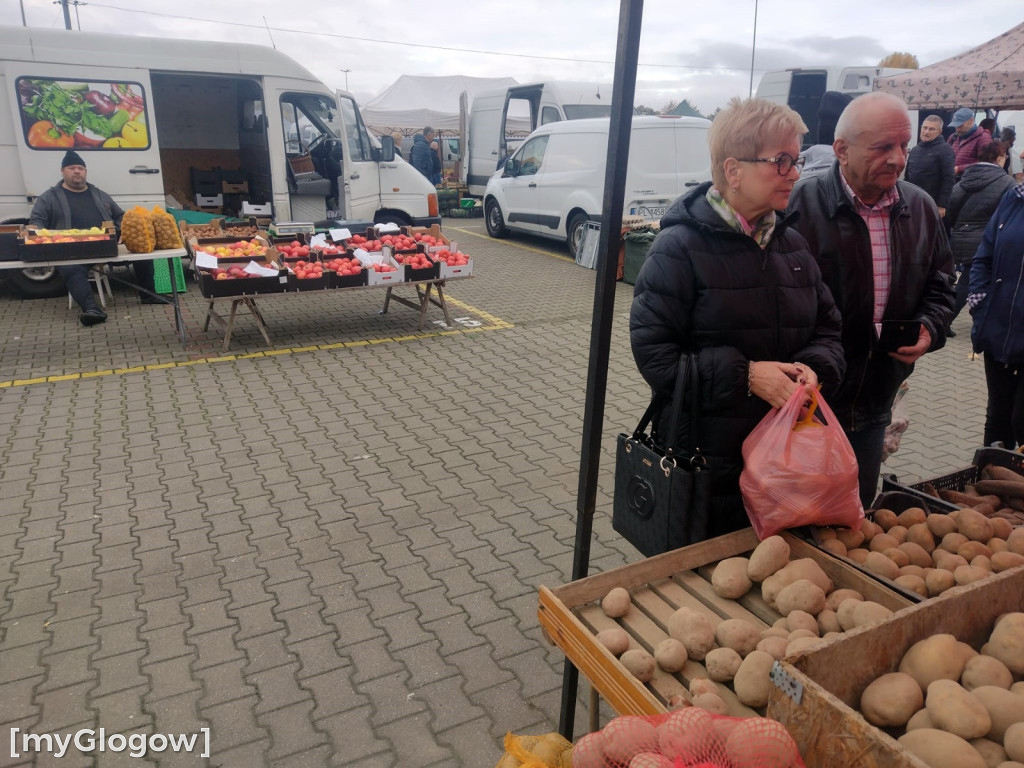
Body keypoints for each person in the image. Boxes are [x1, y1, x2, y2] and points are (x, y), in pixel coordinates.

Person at [630, 97, 845, 539]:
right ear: (733, 170)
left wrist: (814, 368)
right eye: (781, 161)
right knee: (705, 593)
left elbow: (829, 328)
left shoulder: (794, 246)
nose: (795, 173)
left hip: (787, 466)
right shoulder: (678, 249)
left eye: (797, 160)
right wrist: (747, 376)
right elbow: (656, 356)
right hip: (709, 467)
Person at [787, 92, 956, 508]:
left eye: (905, 146)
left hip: (876, 401)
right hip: (807, 404)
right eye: (884, 147)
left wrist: (929, 328)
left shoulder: (919, 207)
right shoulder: (798, 206)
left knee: (854, 514)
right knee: (796, 516)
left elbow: (943, 283)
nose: (899, 159)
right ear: (842, 150)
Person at [29, 150, 156, 326]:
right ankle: (92, 309)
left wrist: (123, 232)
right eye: (71, 168)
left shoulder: (99, 194)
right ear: (62, 171)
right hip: (72, 250)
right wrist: (50, 240)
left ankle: (149, 296)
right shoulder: (49, 198)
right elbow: (36, 224)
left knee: (144, 255)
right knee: (71, 269)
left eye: (80, 168)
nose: (76, 171)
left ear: (85, 172)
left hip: (106, 246)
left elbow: (120, 216)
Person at [968, 181, 1024, 449]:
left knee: (1021, 420)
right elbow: (984, 256)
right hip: (1000, 331)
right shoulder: (1013, 198)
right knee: (998, 423)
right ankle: (989, 484)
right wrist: (980, 305)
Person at [945, 140, 1014, 331]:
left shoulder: (964, 180)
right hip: (989, 241)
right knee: (971, 282)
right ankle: (946, 320)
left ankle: (953, 319)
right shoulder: (1007, 183)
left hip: (961, 238)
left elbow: (951, 209)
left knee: (969, 279)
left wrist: (959, 229)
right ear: (1000, 158)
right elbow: (1008, 215)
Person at [904, 115, 955, 216]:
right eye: (925, 127)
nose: (926, 132)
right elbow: (907, 177)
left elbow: (949, 178)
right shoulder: (915, 150)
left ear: (939, 132)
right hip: (913, 201)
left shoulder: (945, 150)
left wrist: (942, 205)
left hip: (931, 202)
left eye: (931, 129)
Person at [947, 107, 992, 179]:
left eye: (960, 125)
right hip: (952, 181)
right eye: (955, 125)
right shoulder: (953, 138)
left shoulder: (983, 138)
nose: (957, 128)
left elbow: (986, 164)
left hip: (972, 182)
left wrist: (959, 169)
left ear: (971, 121)